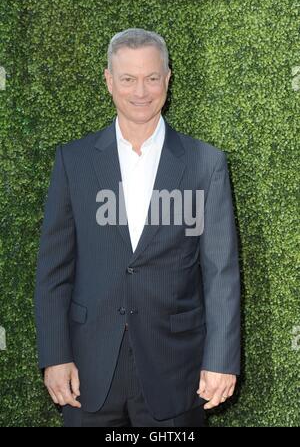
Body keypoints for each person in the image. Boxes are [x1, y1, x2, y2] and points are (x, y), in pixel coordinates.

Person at [34, 28, 241, 427]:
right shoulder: (73, 161)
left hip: (176, 369)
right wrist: (55, 355)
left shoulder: (205, 163)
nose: (140, 91)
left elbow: (220, 273)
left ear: (167, 79)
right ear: (109, 82)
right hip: (87, 370)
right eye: (128, 78)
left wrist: (220, 360)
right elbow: (54, 270)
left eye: (151, 77)